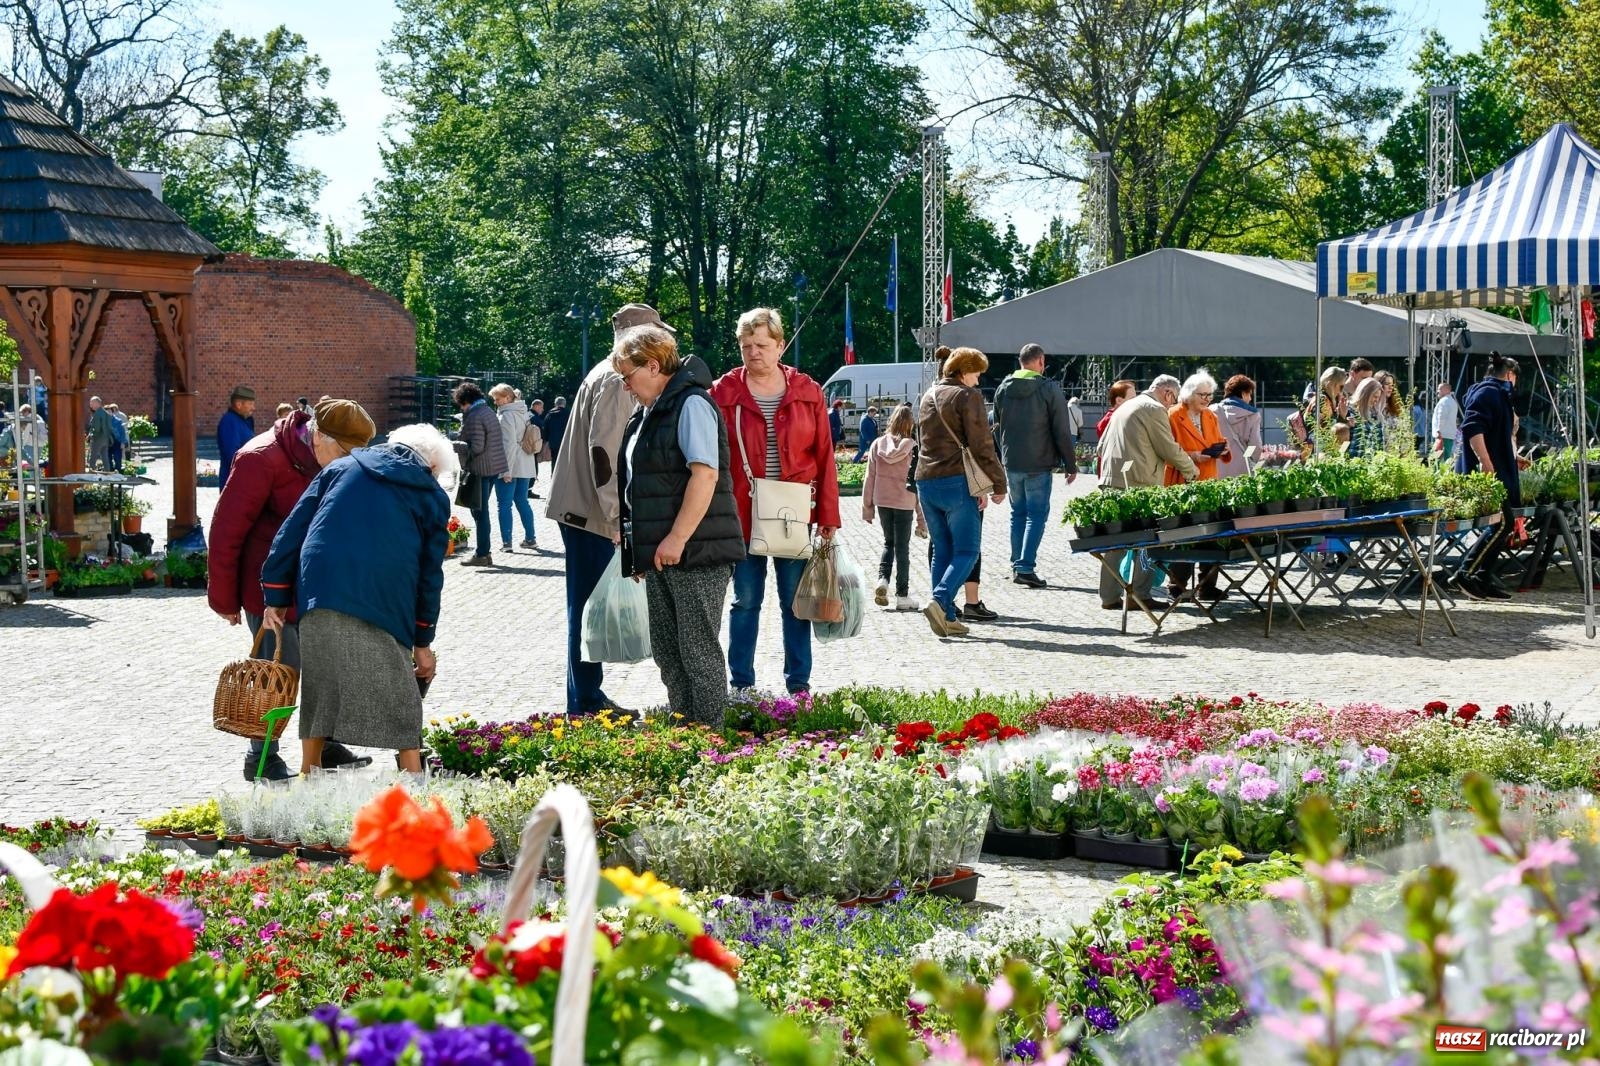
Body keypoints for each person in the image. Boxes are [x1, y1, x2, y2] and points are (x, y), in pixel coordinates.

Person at [261, 422, 454, 775]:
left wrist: (275, 594)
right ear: (432, 467)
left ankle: (310, 774)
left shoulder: (340, 467)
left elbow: (292, 529)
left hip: (321, 585)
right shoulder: (430, 495)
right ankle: (412, 778)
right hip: (386, 592)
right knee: (401, 693)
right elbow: (430, 575)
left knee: (321, 685)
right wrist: (423, 640)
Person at [210, 398, 377, 781]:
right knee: (276, 674)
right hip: (269, 592)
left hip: (317, 589)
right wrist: (224, 598)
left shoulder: (326, 457)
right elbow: (225, 531)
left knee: (327, 669)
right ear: (320, 437)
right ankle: (262, 757)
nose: (345, 464)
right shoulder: (260, 458)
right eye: (343, 454)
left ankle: (327, 744)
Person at [614, 324, 745, 725]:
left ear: (653, 366)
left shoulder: (691, 404)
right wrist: (638, 545)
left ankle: (711, 741)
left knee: (698, 651)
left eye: (628, 376)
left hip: (696, 551)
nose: (626, 386)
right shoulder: (650, 412)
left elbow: (704, 476)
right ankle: (686, 731)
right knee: (669, 652)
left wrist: (675, 538)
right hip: (663, 555)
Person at [711, 307, 840, 695]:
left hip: (792, 510)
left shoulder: (807, 390)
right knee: (745, 600)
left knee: (794, 601)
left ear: (781, 345)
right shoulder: (722, 392)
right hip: (741, 511)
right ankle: (741, 685)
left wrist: (828, 516)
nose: (753, 352)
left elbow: (824, 455)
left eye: (762, 345)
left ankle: (798, 684)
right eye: (746, 345)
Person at [547, 303, 660, 717]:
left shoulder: (606, 371)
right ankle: (585, 702)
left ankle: (586, 696)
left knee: (585, 604)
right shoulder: (617, 377)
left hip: (583, 508)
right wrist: (617, 518)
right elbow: (604, 453)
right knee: (587, 606)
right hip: (592, 513)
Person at [915, 346, 1007, 638]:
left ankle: (949, 618)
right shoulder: (967, 396)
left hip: (925, 481)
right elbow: (982, 445)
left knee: (941, 550)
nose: (978, 380)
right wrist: (998, 484)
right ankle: (940, 600)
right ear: (964, 371)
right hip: (956, 481)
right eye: (977, 374)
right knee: (967, 550)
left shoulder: (928, 395)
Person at [1096, 376, 1196, 611]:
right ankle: (1139, 594)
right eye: (1173, 401)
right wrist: (1192, 470)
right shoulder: (1153, 409)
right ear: (1168, 394)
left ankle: (1108, 597)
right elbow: (1167, 447)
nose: (1171, 406)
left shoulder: (1126, 406)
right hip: (1140, 484)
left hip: (1112, 481)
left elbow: (1100, 447)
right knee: (1149, 540)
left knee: (1116, 542)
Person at [993, 341, 1077, 588]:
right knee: (1036, 515)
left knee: (1017, 514)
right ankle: (1025, 567)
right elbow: (1061, 430)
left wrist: (1003, 456)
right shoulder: (1048, 388)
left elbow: (997, 426)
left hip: (1012, 462)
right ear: (1041, 361)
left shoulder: (1003, 388)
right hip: (1039, 462)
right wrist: (1070, 464)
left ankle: (1017, 563)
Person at [1452, 353, 1522, 600]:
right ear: (1510, 375)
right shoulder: (1488, 393)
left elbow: (1495, 433)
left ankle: (1482, 576)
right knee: (1502, 523)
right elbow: (1473, 427)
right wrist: (1485, 460)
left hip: (1497, 468)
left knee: (1502, 524)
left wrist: (1512, 456)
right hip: (1489, 472)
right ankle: (1466, 571)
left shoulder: (1495, 394)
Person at [1164, 372, 1230, 602]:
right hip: (1183, 481)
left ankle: (1207, 585)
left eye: (1210, 395)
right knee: (1184, 534)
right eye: (1202, 395)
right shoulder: (1173, 415)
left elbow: (1217, 439)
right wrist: (1193, 456)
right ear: (1189, 394)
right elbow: (1167, 449)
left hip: (1208, 479)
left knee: (1211, 534)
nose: (1207, 399)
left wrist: (1222, 449)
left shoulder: (1210, 416)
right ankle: (1177, 585)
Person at [861, 403, 924, 610]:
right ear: (909, 424)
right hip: (904, 501)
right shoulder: (913, 447)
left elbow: (869, 477)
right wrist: (922, 520)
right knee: (902, 548)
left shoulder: (878, 445)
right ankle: (902, 596)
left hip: (883, 500)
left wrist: (867, 508)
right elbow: (917, 483)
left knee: (889, 543)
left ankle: (882, 580)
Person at [453, 381, 508, 566]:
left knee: (480, 513)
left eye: (461, 404)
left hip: (481, 470)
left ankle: (482, 554)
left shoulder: (475, 416)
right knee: (481, 511)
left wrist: (452, 444)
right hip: (493, 468)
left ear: (467, 400)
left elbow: (476, 447)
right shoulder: (488, 411)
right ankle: (484, 553)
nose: (461, 408)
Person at [489, 383, 539, 551]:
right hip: (524, 462)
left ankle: (506, 542)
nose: (495, 402)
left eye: (498, 399)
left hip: (510, 464)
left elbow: (508, 445)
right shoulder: (522, 411)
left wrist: (506, 470)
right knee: (522, 501)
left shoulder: (506, 416)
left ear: (508, 398)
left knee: (503, 504)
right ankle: (531, 538)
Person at [1212, 374, 1261, 479]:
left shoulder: (1211, 411)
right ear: (1243, 394)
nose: (1250, 398)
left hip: (1216, 468)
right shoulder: (1252, 415)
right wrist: (1250, 459)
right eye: (1249, 394)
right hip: (1242, 470)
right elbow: (1255, 445)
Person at [217, 386, 256, 488]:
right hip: (235, 483)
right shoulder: (229, 422)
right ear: (239, 404)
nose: (253, 408)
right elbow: (233, 455)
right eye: (250, 404)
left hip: (243, 480)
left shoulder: (244, 420)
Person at [1094, 380, 1136, 475]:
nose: (1136, 402)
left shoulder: (1118, 417)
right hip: (1114, 473)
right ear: (1119, 400)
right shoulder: (1109, 420)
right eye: (1132, 398)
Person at [1305, 367, 1351, 453]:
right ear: (1331, 384)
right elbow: (1325, 429)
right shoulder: (1322, 400)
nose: (1342, 391)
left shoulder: (1329, 400)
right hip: (1317, 450)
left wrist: (1343, 417)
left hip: (1322, 447)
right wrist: (1341, 416)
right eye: (1341, 387)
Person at [1347, 377, 1387, 457]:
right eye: (1374, 396)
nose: (1376, 400)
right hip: (1350, 464)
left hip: (1370, 465)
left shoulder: (1376, 416)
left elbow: (1379, 446)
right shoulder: (1349, 411)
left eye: (1378, 398)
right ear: (1365, 394)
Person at [86, 395, 116, 471]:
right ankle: (107, 472)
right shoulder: (105, 413)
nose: (90, 405)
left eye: (91, 403)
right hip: (105, 438)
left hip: (98, 438)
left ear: (97, 403)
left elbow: (96, 428)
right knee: (105, 457)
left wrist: (91, 435)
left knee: (93, 457)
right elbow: (109, 427)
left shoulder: (97, 414)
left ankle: (91, 472)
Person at [1433, 382, 1460, 461]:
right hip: (1448, 434)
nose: (1437, 391)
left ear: (1446, 390)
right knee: (1446, 456)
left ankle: (1437, 473)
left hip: (1442, 434)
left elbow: (1441, 417)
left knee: (1439, 457)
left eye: (1439, 389)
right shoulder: (1452, 401)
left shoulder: (1444, 402)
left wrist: (1438, 430)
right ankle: (1445, 472)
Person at [544, 396, 570, 460]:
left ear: (555, 404)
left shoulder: (549, 414)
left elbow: (545, 429)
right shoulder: (569, 414)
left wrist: (546, 441)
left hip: (553, 443)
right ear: (564, 404)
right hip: (566, 442)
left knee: (554, 461)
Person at [105, 403, 129, 471]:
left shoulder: (118, 421)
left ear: (112, 412)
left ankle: (118, 472)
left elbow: (122, 432)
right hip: (107, 442)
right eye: (106, 412)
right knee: (108, 458)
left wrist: (122, 442)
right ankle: (110, 472)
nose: (108, 413)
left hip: (117, 441)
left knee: (117, 458)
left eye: (109, 411)